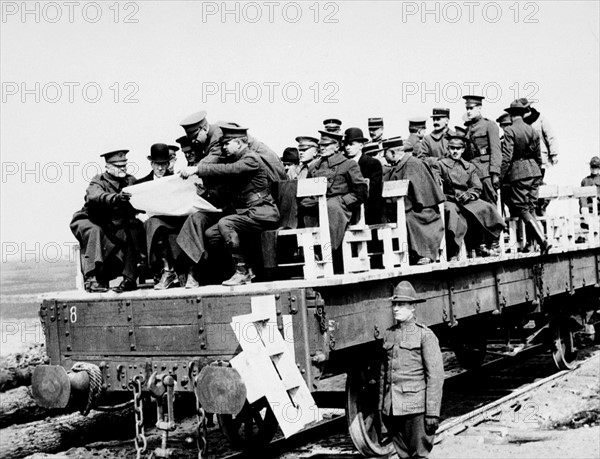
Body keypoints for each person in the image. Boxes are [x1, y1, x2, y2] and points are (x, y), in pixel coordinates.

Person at [180, 125, 280, 286]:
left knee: (225, 224)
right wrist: (205, 193)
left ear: (239, 143)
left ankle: (242, 271)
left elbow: (230, 169)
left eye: (227, 144)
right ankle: (239, 268)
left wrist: (197, 169)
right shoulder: (237, 161)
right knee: (211, 234)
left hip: (262, 212)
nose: (223, 148)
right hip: (248, 213)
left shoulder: (251, 159)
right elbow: (225, 191)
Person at [379, 280, 444, 459]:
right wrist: (382, 407)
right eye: (394, 304)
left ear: (413, 307)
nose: (396, 309)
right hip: (393, 409)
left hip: (416, 409)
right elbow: (384, 375)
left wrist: (432, 412)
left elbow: (435, 377)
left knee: (419, 455)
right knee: (403, 456)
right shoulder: (389, 334)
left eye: (401, 304)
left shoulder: (425, 335)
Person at [70, 150, 144, 293]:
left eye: (124, 165)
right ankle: (91, 279)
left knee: (134, 228)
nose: (123, 168)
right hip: (91, 219)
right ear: (108, 167)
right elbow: (94, 196)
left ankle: (129, 279)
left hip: (114, 225)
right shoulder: (98, 181)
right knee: (94, 231)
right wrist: (115, 198)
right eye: (118, 166)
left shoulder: (130, 181)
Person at [433, 135, 505, 260]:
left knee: (486, 207)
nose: (455, 151)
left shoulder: (469, 166)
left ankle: (492, 243)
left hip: (466, 199)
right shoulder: (440, 165)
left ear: (463, 149)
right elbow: (436, 182)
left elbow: (477, 186)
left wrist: (470, 194)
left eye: (458, 148)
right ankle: (453, 251)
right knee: (452, 212)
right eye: (452, 148)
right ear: (448, 148)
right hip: (448, 199)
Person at [301, 130, 368, 256]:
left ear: (337, 146)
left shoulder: (348, 164)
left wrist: (343, 201)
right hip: (318, 202)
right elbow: (308, 190)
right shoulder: (314, 167)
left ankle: (326, 251)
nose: (322, 148)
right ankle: (307, 251)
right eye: (321, 145)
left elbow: (361, 191)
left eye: (326, 145)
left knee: (331, 207)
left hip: (339, 206)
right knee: (303, 207)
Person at [383, 138, 445, 265]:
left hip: (422, 210)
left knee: (408, 219)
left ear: (393, 153)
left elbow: (418, 195)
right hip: (405, 207)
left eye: (385, 153)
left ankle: (424, 253)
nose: (384, 156)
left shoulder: (413, 164)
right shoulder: (398, 165)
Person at [500, 99, 550, 254]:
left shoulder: (510, 131)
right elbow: (538, 156)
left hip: (518, 173)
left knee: (521, 207)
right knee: (531, 207)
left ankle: (542, 241)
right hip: (534, 171)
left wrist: (501, 176)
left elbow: (507, 157)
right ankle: (538, 242)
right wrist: (539, 174)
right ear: (523, 113)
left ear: (511, 114)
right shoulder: (532, 130)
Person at [520, 98, 559, 216]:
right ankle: (534, 210)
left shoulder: (541, 119)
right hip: (527, 159)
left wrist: (554, 153)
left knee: (538, 183)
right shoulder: (520, 122)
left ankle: (540, 208)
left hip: (541, 158)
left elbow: (550, 135)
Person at [464, 95, 502, 206]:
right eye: (467, 108)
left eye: (471, 108)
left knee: (490, 204)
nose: (469, 111)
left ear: (479, 108)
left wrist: (495, 174)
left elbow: (496, 150)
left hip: (486, 172)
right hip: (473, 173)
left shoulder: (489, 125)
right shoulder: (468, 129)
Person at [343, 127, 384, 224]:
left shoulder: (372, 163)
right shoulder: (343, 164)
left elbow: (374, 190)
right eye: (346, 145)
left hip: (369, 210)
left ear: (361, 145)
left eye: (351, 144)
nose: (347, 148)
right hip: (346, 208)